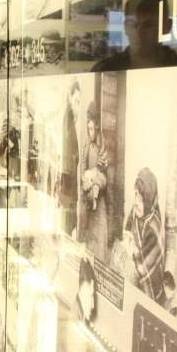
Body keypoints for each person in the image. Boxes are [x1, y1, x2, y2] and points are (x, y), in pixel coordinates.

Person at [92, 0, 177, 72]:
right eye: (132, 24)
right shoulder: (105, 70)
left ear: (166, 27)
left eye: (148, 25)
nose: (139, 33)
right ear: (125, 27)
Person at [126, 168, 166, 305]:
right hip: (133, 270)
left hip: (150, 286)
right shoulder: (135, 211)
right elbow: (127, 233)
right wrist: (127, 244)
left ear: (148, 201)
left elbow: (142, 269)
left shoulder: (154, 224)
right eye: (135, 195)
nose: (136, 202)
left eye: (141, 199)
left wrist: (132, 253)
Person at [79, 101, 109, 262]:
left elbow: (104, 177)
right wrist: (86, 180)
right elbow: (82, 172)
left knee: (99, 247)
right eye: (88, 128)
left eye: (92, 129)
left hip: (100, 203)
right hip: (88, 201)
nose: (90, 132)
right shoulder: (85, 145)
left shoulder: (102, 145)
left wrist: (93, 178)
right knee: (87, 246)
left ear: (97, 126)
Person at [59, 80, 81, 237]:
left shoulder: (70, 119)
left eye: (79, 102)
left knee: (68, 223)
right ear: (69, 98)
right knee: (67, 223)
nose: (77, 106)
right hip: (68, 179)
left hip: (68, 178)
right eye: (76, 101)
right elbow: (70, 153)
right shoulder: (68, 119)